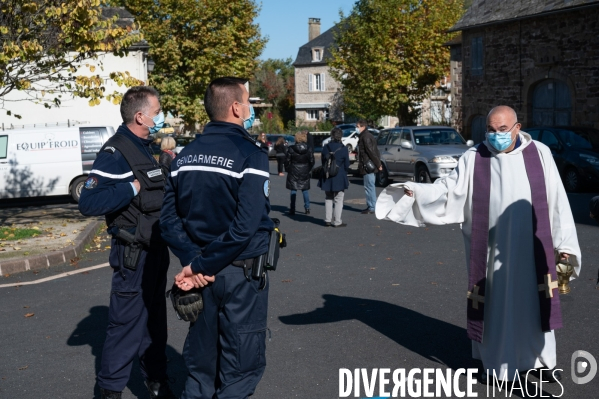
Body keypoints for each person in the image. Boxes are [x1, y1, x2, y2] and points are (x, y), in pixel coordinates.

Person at [376, 105, 581, 383]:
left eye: (503, 130)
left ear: (517, 128)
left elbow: (557, 202)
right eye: (491, 130)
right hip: (490, 253)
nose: (496, 135)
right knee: (496, 308)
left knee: (534, 304)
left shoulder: (540, 154)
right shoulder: (475, 157)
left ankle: (539, 361)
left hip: (532, 250)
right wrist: (418, 191)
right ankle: (499, 365)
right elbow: (448, 190)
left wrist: (565, 243)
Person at [159, 77, 273, 399]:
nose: (250, 108)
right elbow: (245, 226)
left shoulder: (183, 156)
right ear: (236, 107)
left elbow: (168, 222)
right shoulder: (251, 154)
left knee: (200, 368)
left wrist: (193, 263)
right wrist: (202, 264)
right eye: (248, 101)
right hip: (237, 274)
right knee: (240, 369)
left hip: (199, 275)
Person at [78, 86, 176, 399]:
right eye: (157, 112)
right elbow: (89, 203)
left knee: (154, 321)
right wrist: (131, 188)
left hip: (156, 249)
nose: (161, 118)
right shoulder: (116, 152)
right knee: (125, 325)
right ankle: (109, 391)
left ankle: (156, 381)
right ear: (140, 116)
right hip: (133, 252)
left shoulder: (145, 148)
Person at [318, 127, 350, 227]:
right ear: (341, 136)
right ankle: (337, 221)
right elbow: (347, 165)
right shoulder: (344, 149)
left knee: (328, 197)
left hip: (327, 175)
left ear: (331, 135)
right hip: (339, 175)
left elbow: (323, 161)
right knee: (339, 199)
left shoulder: (326, 147)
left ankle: (328, 219)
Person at [285, 131, 314, 215]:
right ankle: (307, 208)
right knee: (305, 190)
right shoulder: (309, 148)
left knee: (293, 190)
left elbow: (287, 161)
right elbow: (312, 161)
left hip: (293, 170)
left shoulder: (291, 148)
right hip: (304, 170)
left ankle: (292, 208)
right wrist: (308, 169)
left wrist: (288, 169)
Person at [357, 119, 382, 214]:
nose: (357, 129)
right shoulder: (367, 135)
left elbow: (371, 152)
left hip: (368, 165)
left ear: (362, 126)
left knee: (369, 186)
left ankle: (372, 206)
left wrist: (378, 164)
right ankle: (372, 205)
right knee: (370, 186)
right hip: (369, 164)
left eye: (358, 127)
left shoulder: (365, 137)